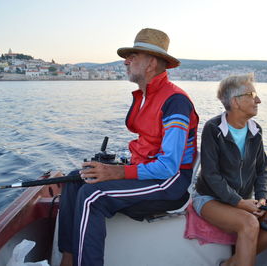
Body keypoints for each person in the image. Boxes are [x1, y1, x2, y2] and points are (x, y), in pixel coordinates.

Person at [58, 28, 199, 266]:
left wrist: (117, 172)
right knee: (76, 180)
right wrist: (115, 169)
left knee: (92, 196)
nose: (126, 61)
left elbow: (169, 166)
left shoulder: (175, 101)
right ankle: (68, 259)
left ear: (151, 63)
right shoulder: (146, 96)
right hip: (145, 170)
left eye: (133, 57)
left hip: (170, 182)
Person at [193, 73, 267, 266]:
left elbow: (262, 169)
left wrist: (261, 198)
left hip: (245, 200)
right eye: (252, 94)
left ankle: (234, 261)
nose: (258, 100)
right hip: (211, 199)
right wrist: (239, 202)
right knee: (249, 223)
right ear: (236, 101)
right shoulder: (213, 129)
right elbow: (211, 175)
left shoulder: (256, 130)